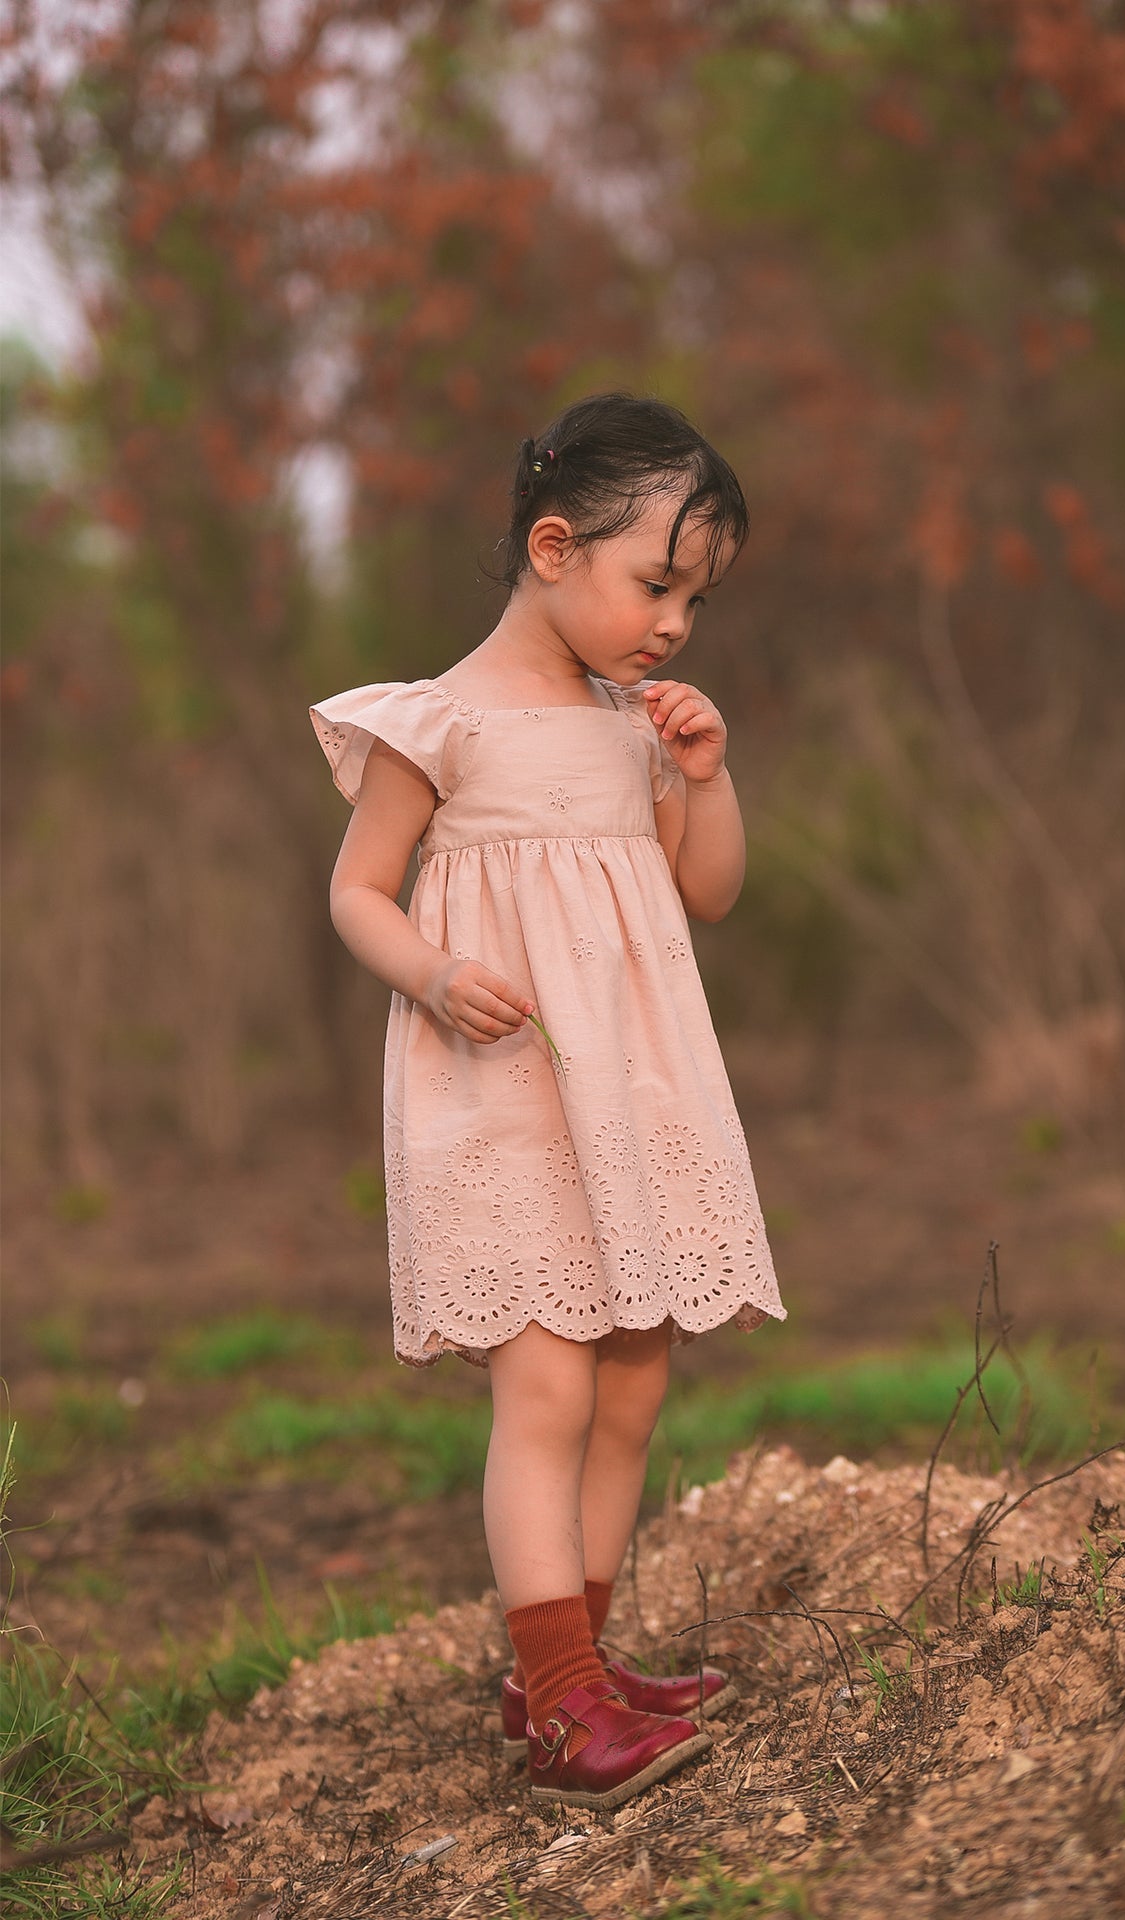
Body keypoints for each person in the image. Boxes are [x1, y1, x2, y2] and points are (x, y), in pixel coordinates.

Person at [310, 391, 786, 1810]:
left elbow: (704, 893)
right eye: (659, 583)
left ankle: (564, 1666)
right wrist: (436, 968)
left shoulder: (637, 727)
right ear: (556, 546)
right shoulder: (438, 725)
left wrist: (706, 776)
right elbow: (354, 892)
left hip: (629, 1099)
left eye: (696, 597)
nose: (676, 624)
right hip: (502, 1092)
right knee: (547, 1383)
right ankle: (566, 1704)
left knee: (633, 1376)